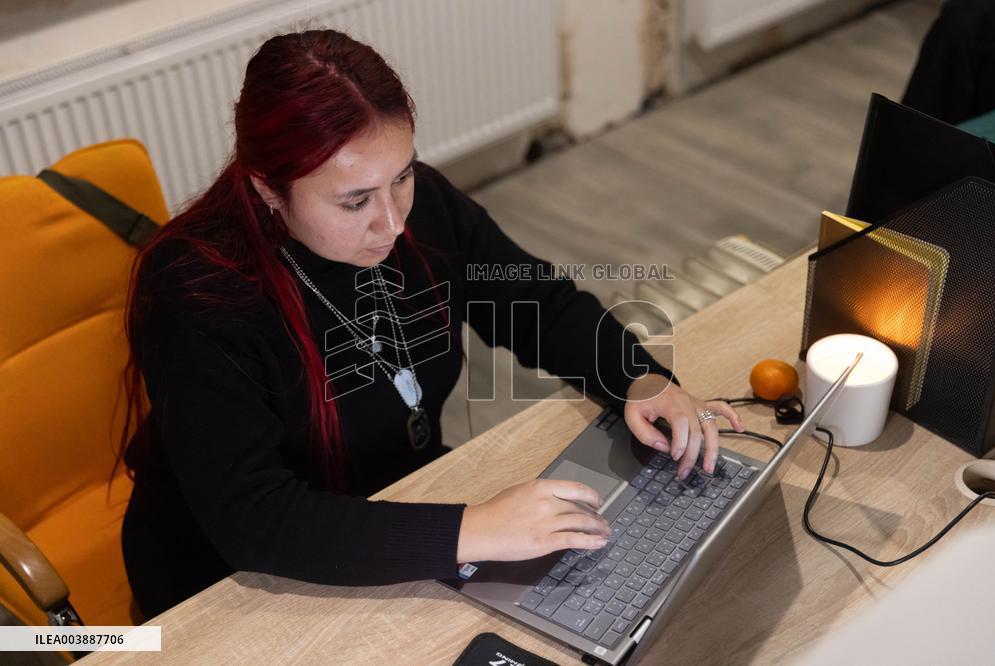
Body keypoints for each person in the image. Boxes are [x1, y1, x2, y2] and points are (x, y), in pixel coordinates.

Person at [117, 29, 744, 619]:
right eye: (355, 201)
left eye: (402, 176)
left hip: (401, 509)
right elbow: (257, 518)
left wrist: (638, 379)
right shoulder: (195, 292)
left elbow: (536, 304)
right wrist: (476, 529)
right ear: (267, 190)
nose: (392, 223)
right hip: (235, 586)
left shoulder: (424, 209)